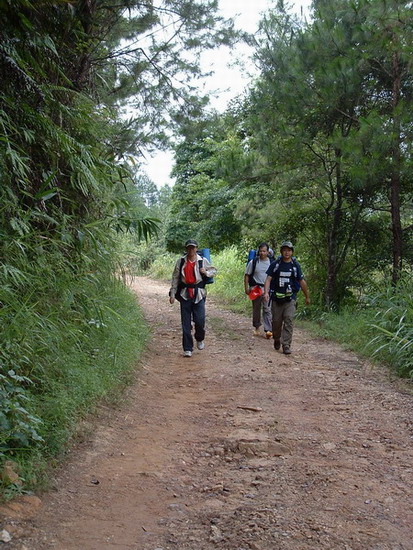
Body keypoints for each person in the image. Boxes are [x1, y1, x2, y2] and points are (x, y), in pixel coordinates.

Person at [169, 239, 217, 357]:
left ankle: (199, 338)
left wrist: (205, 272)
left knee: (200, 320)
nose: (191, 250)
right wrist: (172, 294)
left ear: (196, 248)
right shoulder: (181, 262)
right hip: (184, 294)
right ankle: (187, 348)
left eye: (193, 247)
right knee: (185, 323)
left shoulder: (202, 261)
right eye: (189, 247)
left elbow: (213, 271)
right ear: (186, 249)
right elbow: (175, 278)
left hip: (199, 294)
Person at [263, 241, 310, 355]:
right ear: (281, 252)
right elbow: (268, 279)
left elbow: (301, 281)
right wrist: (266, 293)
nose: (287, 252)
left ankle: (286, 345)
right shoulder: (276, 264)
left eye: (289, 250)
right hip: (277, 298)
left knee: (288, 319)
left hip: (290, 298)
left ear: (292, 252)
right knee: (276, 322)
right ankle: (277, 338)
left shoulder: (295, 266)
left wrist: (307, 296)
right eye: (284, 250)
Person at [244, 242, 273, 339]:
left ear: (268, 252)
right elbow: (247, 275)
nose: (262, 253)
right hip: (255, 288)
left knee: (267, 309)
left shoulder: (272, 263)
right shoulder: (254, 262)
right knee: (256, 309)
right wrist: (246, 288)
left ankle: (268, 330)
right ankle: (257, 327)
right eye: (260, 251)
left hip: (267, 289)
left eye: (264, 251)